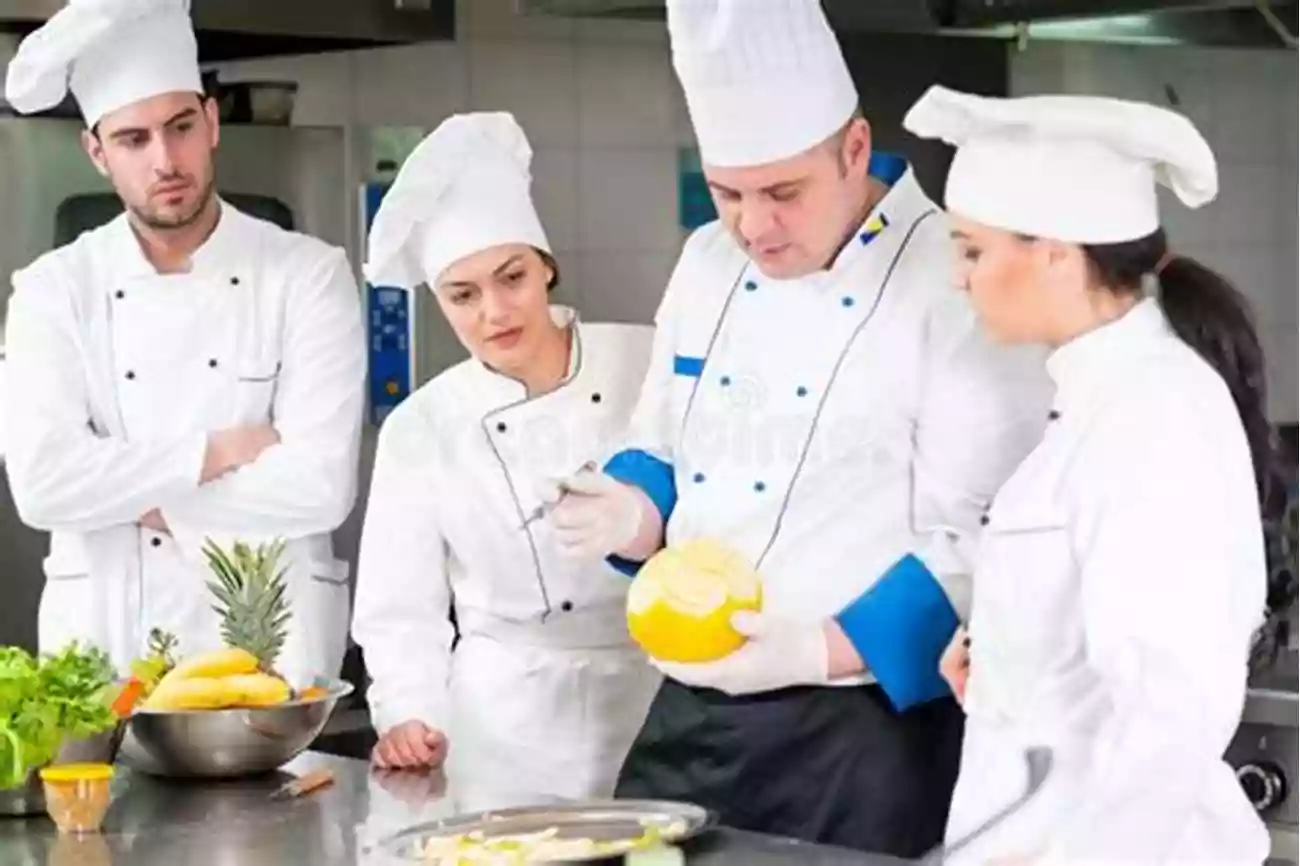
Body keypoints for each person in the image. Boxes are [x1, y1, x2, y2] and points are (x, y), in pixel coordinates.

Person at [541, 0, 1053, 856]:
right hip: (691, 707)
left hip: (864, 730)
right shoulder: (708, 261)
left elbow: (984, 540)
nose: (753, 227)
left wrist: (813, 650)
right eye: (726, 192)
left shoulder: (954, 278)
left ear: (855, 148)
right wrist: (627, 509)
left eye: (783, 192)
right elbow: (663, 445)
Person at [906, 86, 1277, 863]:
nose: (958, 277)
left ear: (1053, 253)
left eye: (973, 251)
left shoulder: (1151, 411)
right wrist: (1003, 656)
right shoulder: (1100, 397)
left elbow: (1169, 708)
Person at [2, 0, 366, 687]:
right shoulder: (53, 291)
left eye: (180, 127)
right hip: (107, 653)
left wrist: (139, 501)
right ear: (97, 152)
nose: (165, 160)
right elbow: (43, 486)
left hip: (272, 663)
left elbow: (320, 488)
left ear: (212, 122)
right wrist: (216, 452)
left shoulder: (309, 275)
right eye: (133, 139)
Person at [350, 112, 661, 808]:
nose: (495, 311)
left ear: (546, 266)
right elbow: (400, 611)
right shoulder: (422, 425)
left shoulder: (649, 362)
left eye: (512, 277)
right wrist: (408, 714)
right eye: (463, 295)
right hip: (503, 729)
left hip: (657, 699)